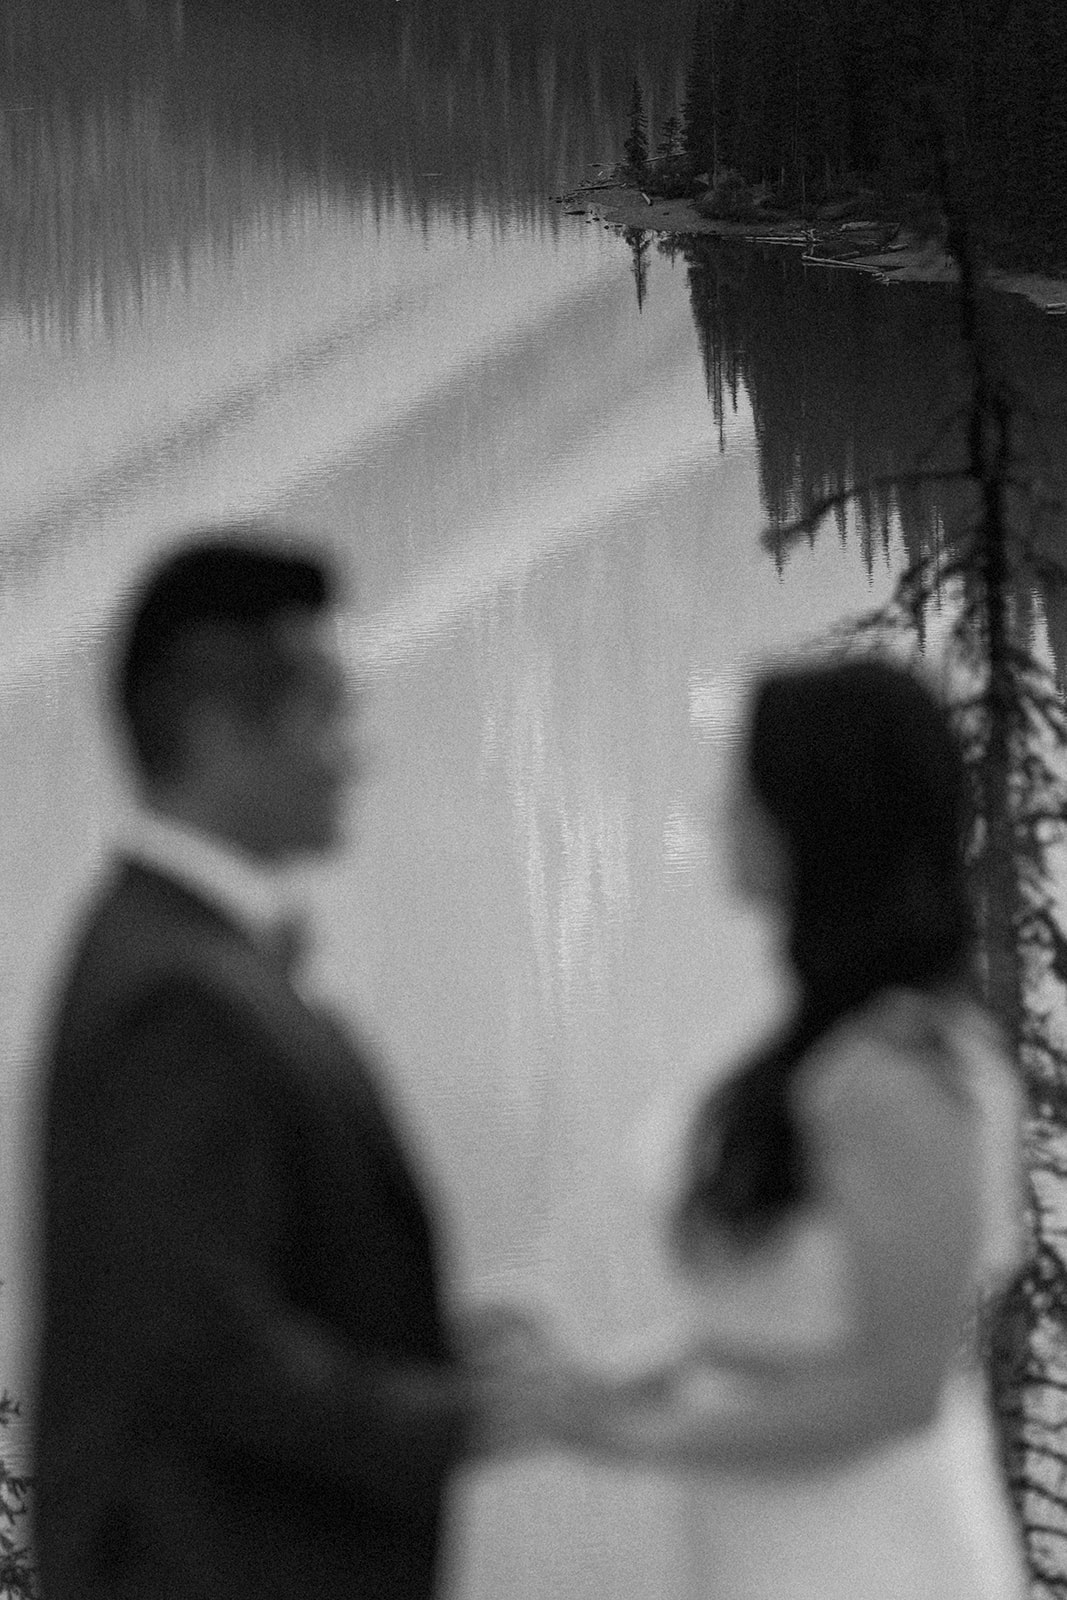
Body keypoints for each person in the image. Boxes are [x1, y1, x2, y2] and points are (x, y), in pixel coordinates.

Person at [32, 530, 543, 1600]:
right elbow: (200, 1348)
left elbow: (210, 1274)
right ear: (221, 736)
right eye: (327, 714)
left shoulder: (179, 952)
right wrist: (464, 1416)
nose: (354, 752)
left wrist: (420, 1339)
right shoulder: (173, 997)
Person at [529, 656, 1030, 1599]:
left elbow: (895, 1389)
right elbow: (770, 1339)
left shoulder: (897, 1070)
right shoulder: (826, 1045)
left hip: (874, 1548)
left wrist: (633, 1435)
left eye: (741, 784)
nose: (721, 813)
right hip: (776, 1532)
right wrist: (597, 1387)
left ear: (812, 811)